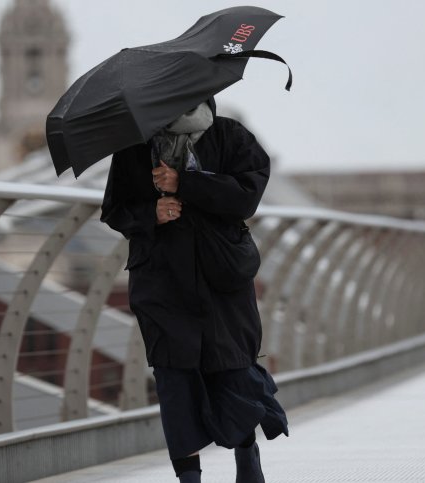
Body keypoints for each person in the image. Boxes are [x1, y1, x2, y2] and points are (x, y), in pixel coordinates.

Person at [101, 98, 288, 483]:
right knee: (174, 382)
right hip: (161, 282)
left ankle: (246, 458)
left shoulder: (229, 135)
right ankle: (189, 479)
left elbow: (246, 195)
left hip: (222, 278)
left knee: (232, 371)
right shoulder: (135, 146)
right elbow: (115, 209)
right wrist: (150, 215)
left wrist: (185, 183)